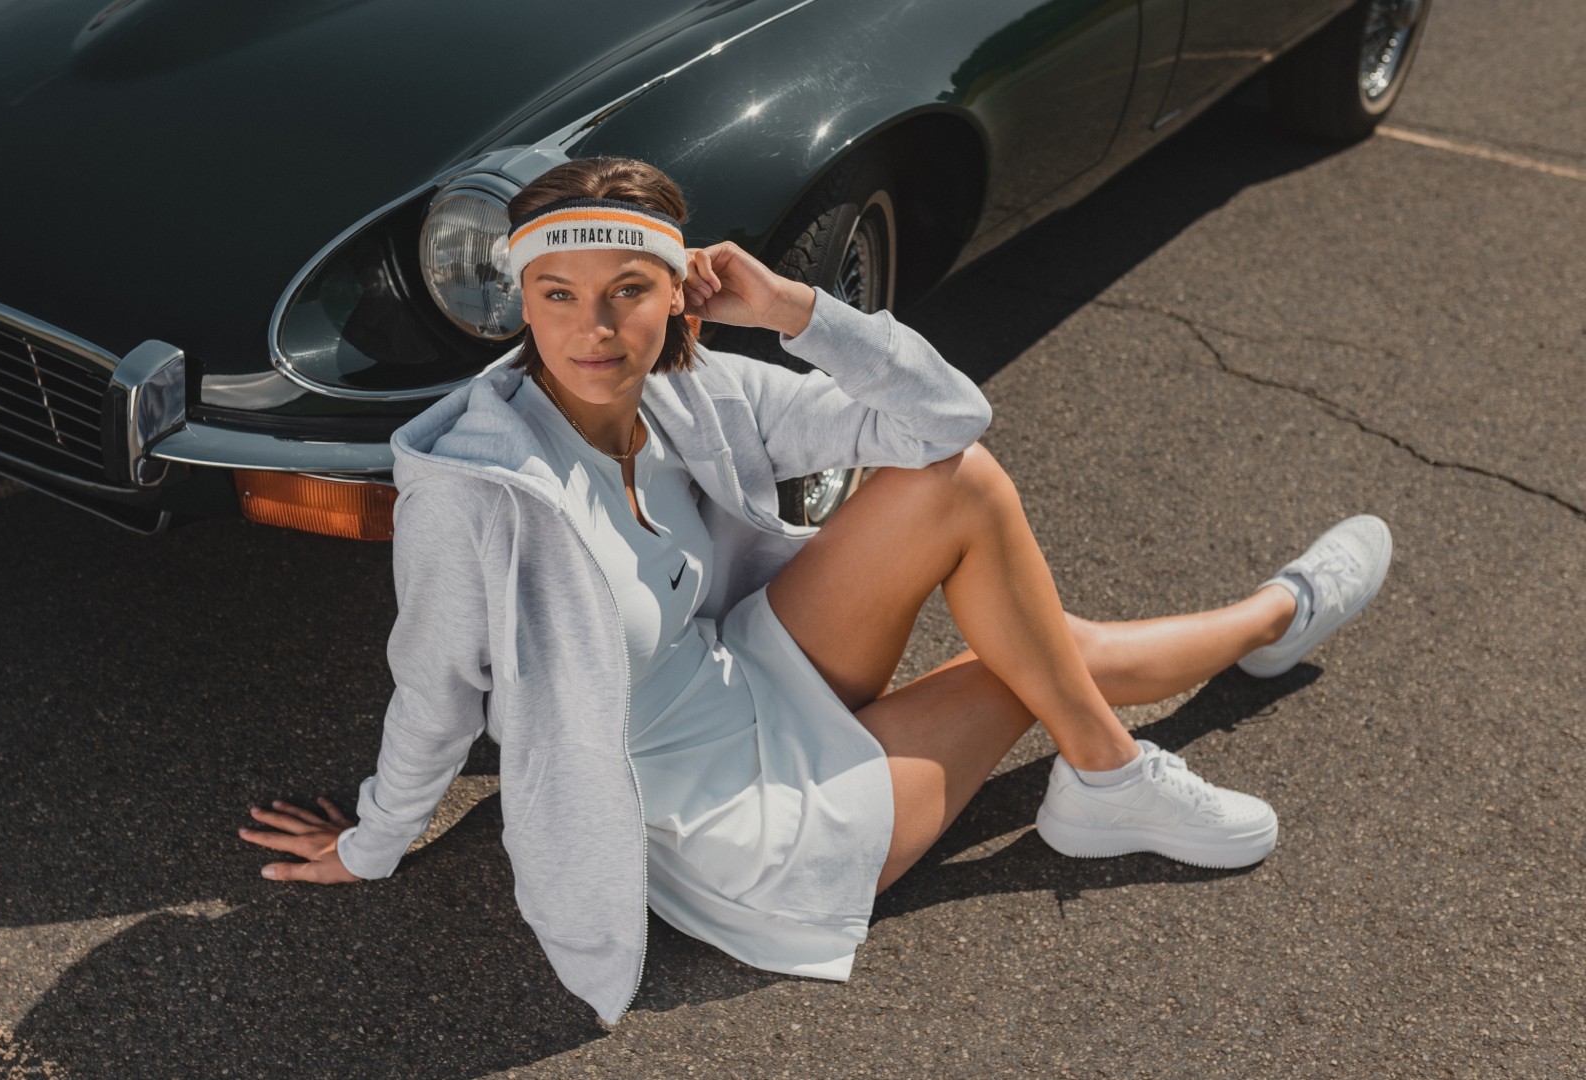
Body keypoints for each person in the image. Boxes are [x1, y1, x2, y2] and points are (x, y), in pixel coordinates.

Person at [235, 156, 1394, 1025]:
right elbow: (433, 682)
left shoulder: (697, 392)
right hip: (717, 823)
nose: (594, 328)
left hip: (759, 665)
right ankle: (1257, 636)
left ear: (679, 292)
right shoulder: (480, 486)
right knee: (1027, 656)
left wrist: (796, 309)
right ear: (522, 302)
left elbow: (945, 422)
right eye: (559, 294)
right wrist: (377, 839)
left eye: (629, 290)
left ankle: (1184, 705)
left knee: (963, 489)